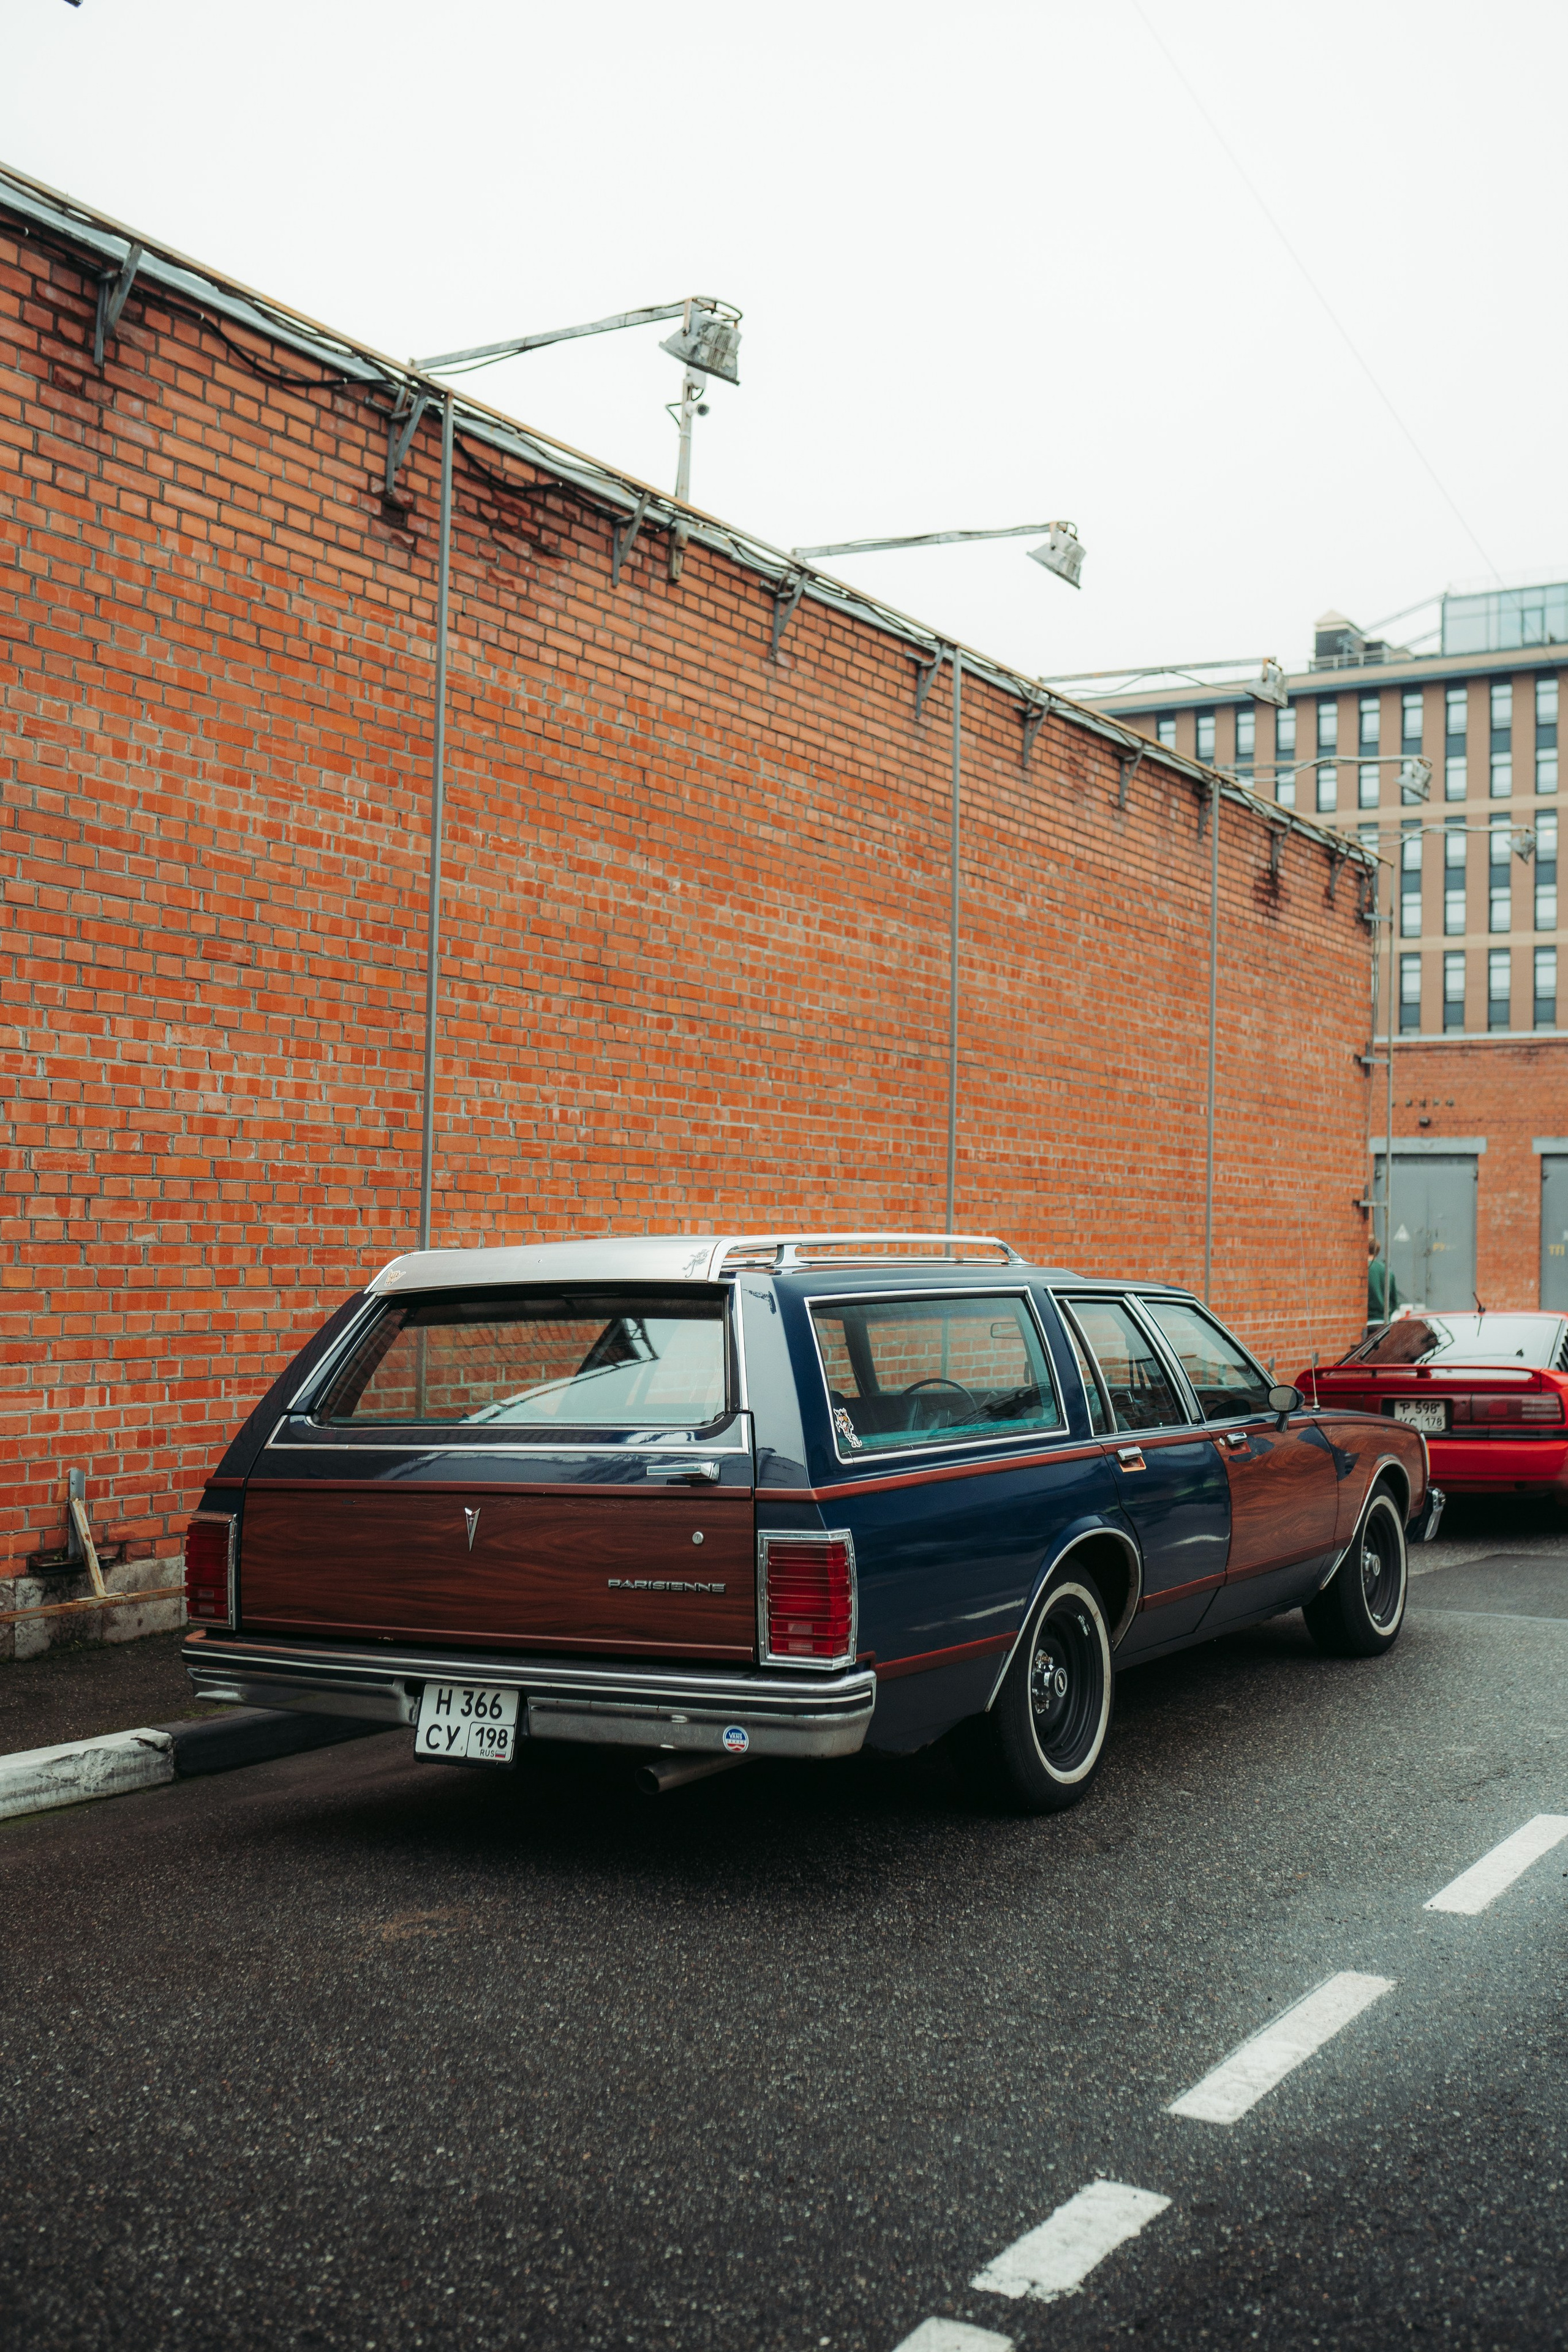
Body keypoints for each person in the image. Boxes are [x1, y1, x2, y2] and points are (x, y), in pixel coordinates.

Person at [1366, 1236, 1400, 1323]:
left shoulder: (1362, 1270)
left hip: (1367, 1321)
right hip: (1383, 1322)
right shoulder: (1387, 1271)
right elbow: (1394, 1301)